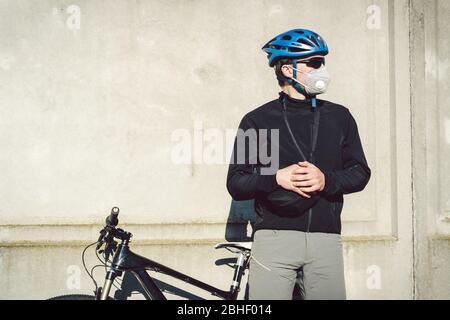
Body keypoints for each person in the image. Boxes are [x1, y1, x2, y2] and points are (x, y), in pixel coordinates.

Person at [226, 28, 371, 300]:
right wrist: (275, 178)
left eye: (323, 62)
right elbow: (236, 182)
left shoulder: (340, 117)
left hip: (325, 239)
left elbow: (360, 172)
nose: (322, 69)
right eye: (314, 63)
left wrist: (327, 180)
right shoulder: (256, 120)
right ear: (288, 70)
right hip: (274, 238)